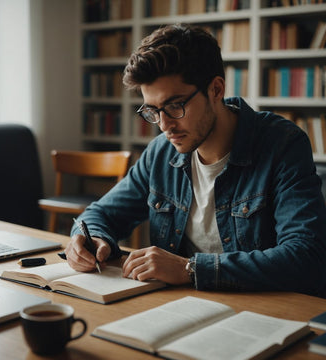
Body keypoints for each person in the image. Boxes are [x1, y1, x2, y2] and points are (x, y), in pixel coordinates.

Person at [65, 23, 326, 297]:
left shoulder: (283, 144)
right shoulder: (160, 154)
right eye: (152, 110)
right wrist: (92, 238)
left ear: (215, 89)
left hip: (266, 311)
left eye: (175, 106)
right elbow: (100, 214)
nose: (164, 125)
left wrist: (190, 269)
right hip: (182, 307)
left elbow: (307, 258)